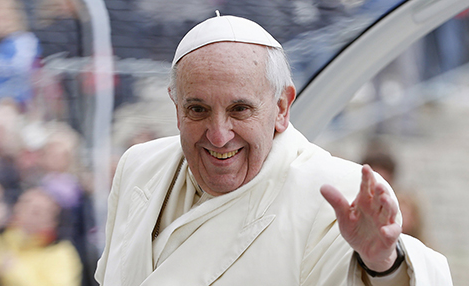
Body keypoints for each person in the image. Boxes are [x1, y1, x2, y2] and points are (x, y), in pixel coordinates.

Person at [95, 14, 452, 285]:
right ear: (176, 108)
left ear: (281, 107)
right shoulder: (138, 166)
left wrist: (382, 264)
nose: (218, 135)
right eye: (198, 109)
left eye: (240, 109)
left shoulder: (336, 194)